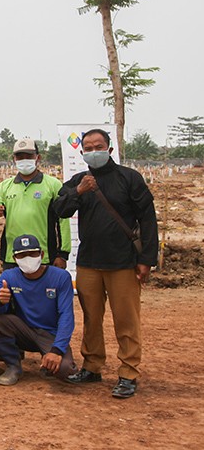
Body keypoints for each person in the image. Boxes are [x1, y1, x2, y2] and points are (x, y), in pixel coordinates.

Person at [53, 128, 158, 399]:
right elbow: (59, 210)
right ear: (82, 152)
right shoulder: (78, 180)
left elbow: (147, 219)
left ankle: (128, 373)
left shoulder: (129, 178)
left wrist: (146, 259)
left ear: (109, 149)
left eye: (98, 146)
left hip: (123, 262)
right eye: (87, 148)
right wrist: (78, 191)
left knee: (126, 320)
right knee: (91, 318)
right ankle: (92, 365)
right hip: (88, 262)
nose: (93, 151)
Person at [0, 234, 77, 386]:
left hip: (50, 333)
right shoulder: (9, 276)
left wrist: (57, 350)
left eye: (32, 253)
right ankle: (13, 365)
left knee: (65, 369)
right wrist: (0, 301)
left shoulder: (61, 277)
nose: (27, 258)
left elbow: (66, 315)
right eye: (22, 255)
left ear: (41, 254)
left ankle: (48, 361)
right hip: (23, 330)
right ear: (15, 258)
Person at [0, 138, 70, 269]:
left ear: (38, 157)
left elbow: (63, 220)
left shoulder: (53, 185)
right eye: (20, 157)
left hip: (44, 255)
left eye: (29, 156)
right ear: (14, 159)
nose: (24, 160)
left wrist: (62, 254)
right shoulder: (4, 186)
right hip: (13, 256)